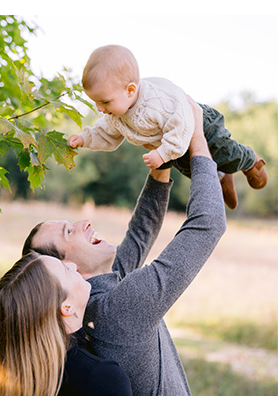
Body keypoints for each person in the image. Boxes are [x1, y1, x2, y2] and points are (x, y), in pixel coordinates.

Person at [23, 117, 226, 395]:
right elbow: (208, 223)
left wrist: (162, 160)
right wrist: (198, 142)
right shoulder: (118, 311)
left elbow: (142, 230)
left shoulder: (98, 296)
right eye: (69, 231)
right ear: (67, 269)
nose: (84, 223)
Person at [66, 45, 266, 209]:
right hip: (171, 143)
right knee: (192, 169)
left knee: (225, 153)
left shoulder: (157, 102)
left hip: (198, 124)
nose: (100, 109)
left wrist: (161, 154)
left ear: (130, 90)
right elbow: (105, 132)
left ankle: (251, 161)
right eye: (96, 103)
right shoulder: (117, 112)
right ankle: (221, 176)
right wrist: (85, 139)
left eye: (105, 102)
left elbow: (180, 126)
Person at [0, 251, 131, 396]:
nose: (73, 265)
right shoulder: (103, 379)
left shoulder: (18, 380)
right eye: (66, 270)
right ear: (67, 307)